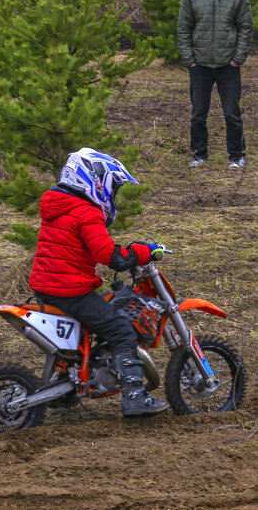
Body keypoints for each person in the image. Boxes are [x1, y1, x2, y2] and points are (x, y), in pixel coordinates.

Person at [27, 147, 170, 418]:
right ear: (95, 180)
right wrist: (142, 251)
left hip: (46, 285)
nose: (112, 194)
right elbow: (109, 256)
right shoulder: (86, 212)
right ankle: (134, 397)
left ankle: (66, 384)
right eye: (112, 187)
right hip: (69, 289)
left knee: (83, 328)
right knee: (120, 329)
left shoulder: (58, 204)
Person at [177, 0, 253, 169]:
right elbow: (183, 28)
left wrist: (237, 58)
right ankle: (199, 154)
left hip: (227, 65)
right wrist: (189, 59)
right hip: (199, 65)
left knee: (232, 112)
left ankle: (236, 155)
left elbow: (245, 27)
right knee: (198, 113)